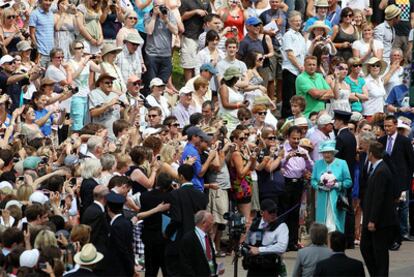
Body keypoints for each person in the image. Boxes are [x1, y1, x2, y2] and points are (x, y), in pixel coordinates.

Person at [360, 141, 398, 277]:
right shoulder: (378, 168)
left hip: (379, 221)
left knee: (379, 252)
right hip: (373, 218)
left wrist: (372, 220)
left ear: (371, 154)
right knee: (366, 248)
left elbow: (379, 198)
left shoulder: (381, 170)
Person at [164, 164, 208, 276]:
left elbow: (176, 219)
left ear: (181, 176)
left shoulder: (175, 194)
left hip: (180, 238)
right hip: (197, 239)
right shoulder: (201, 195)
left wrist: (167, 233)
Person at [379, 115, 414, 250]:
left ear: (395, 125)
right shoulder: (381, 141)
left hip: (401, 180)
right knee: (390, 208)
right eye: (385, 126)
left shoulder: (404, 141)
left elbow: (410, 161)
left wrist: (407, 180)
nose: (387, 128)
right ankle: (391, 234)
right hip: (386, 180)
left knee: (402, 207)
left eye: (389, 126)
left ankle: (402, 232)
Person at [281, 126, 313, 250]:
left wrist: (305, 158)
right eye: (293, 138)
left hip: (298, 183)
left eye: (298, 139)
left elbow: (312, 168)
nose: (295, 141)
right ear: (288, 137)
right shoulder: (283, 149)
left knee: (295, 214)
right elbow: (279, 164)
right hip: (286, 183)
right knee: (285, 213)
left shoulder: (303, 151)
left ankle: (293, 242)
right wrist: (287, 157)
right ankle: (283, 242)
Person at [311, 140, 352, 232]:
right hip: (322, 200)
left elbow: (348, 182)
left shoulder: (342, 163)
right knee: (322, 227)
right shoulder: (318, 164)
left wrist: (337, 184)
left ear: (333, 153)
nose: (327, 155)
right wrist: (319, 186)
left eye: (329, 152)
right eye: (324, 152)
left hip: (337, 200)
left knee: (335, 227)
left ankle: (334, 246)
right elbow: (313, 180)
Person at [243, 199, 288, 277]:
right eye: (270, 212)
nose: (273, 214)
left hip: (271, 269)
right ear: (262, 212)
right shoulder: (254, 224)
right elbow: (247, 244)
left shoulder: (281, 226)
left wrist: (260, 250)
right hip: (253, 268)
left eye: (275, 211)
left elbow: (282, 247)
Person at [144, 1, 178, 85]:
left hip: (166, 54)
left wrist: (166, 20)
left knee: (163, 84)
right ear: (153, 6)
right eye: (158, 6)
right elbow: (149, 31)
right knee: (152, 83)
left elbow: (175, 31)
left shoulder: (169, 14)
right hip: (152, 54)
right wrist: (154, 16)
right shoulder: (148, 15)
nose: (160, 8)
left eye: (162, 6)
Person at [179, 210, 220, 277]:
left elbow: (210, 259)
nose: (213, 223)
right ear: (204, 223)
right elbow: (186, 265)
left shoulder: (207, 238)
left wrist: (217, 270)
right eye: (211, 220)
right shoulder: (188, 239)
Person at [281, 10, 306, 117]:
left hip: (299, 72)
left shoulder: (300, 36)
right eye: (295, 21)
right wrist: (300, 67)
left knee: (297, 99)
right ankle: (286, 119)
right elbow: (290, 54)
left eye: (299, 21)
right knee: (289, 100)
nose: (298, 23)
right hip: (290, 70)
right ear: (290, 22)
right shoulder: (288, 35)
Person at [179, 0, 212, 81]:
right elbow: (180, 17)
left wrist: (207, 18)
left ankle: (199, 83)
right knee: (189, 63)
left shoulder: (207, 1)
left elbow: (210, 16)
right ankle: (188, 86)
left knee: (200, 62)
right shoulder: (185, 1)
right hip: (189, 35)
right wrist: (195, 12)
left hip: (202, 36)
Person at [80, 185, 109, 274]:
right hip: (96, 255)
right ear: (105, 197)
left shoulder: (94, 209)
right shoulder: (96, 212)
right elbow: (92, 235)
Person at [105, 191, 135, 277]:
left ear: (108, 208)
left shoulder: (115, 226)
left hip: (118, 269)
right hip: (126, 266)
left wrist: (131, 268)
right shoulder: (126, 222)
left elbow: (122, 250)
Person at [28, 0, 54, 67]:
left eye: (50, 1)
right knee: (39, 75)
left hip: (51, 52)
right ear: (40, 1)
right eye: (46, 0)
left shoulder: (51, 13)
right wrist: (37, 50)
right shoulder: (34, 14)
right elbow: (32, 34)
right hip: (41, 53)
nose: (48, 3)